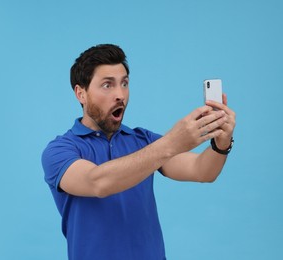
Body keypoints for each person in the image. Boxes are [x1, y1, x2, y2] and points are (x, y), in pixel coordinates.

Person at [41, 44, 236, 260]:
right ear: (81, 93)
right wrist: (171, 142)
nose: (120, 94)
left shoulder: (143, 141)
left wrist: (221, 143)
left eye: (124, 84)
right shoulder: (59, 150)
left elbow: (202, 171)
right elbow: (97, 182)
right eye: (107, 85)